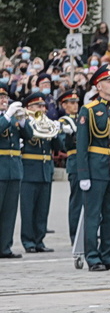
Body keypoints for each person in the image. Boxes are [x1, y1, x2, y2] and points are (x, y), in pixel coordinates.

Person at [73, 66, 110, 271]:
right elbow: (81, 145)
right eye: (109, 81)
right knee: (93, 214)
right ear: (99, 85)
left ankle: (108, 255)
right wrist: (83, 174)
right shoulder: (88, 110)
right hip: (95, 168)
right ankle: (93, 257)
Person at [17, 93, 62, 253]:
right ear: (28, 108)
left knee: (43, 209)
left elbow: (58, 147)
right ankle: (28, 241)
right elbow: (27, 137)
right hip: (29, 170)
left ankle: (39, 240)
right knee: (28, 209)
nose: (42, 109)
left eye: (43, 106)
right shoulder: (24, 123)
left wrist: (56, 132)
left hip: (45, 170)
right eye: (38, 106)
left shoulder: (46, 123)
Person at [0, 88, 27, 258]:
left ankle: (4, 247)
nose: (3, 100)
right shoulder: (6, 118)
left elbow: (30, 136)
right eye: (0, 97)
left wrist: (23, 122)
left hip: (14, 168)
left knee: (9, 212)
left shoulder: (11, 118)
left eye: (5, 97)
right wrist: (8, 116)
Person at [56, 90, 82, 245]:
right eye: (71, 103)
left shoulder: (82, 118)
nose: (75, 105)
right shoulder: (63, 122)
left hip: (88, 162)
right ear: (64, 105)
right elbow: (61, 145)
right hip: (75, 162)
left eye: (76, 102)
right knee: (77, 202)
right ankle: (75, 235)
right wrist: (66, 133)